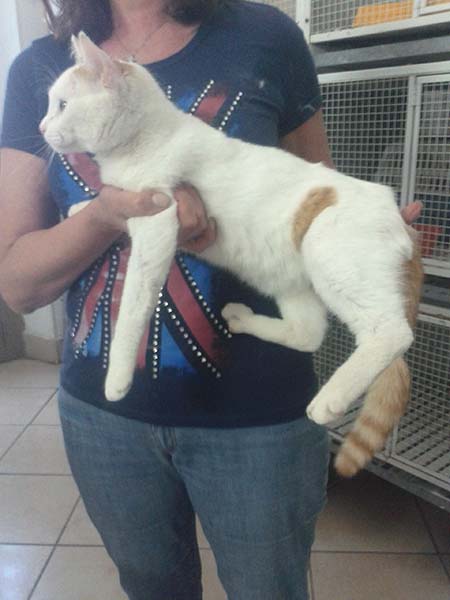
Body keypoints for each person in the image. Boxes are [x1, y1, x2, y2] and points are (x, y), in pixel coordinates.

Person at [0, 1, 421, 598]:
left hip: (259, 417)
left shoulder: (265, 35)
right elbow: (17, 285)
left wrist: (367, 246)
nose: (53, 121)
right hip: (105, 422)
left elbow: (313, 184)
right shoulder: (42, 66)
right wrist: (104, 216)